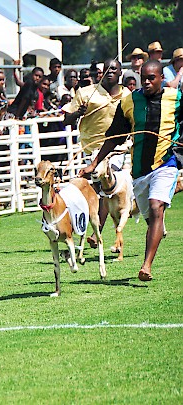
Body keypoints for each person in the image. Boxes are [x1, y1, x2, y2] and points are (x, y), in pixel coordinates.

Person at [78, 59, 181, 282]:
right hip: (140, 172)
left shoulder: (176, 98)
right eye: (143, 78)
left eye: (151, 78)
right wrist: (94, 164)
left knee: (156, 207)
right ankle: (156, 227)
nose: (146, 82)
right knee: (150, 215)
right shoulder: (129, 102)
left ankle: (146, 266)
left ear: (161, 78)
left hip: (166, 164)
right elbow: (114, 136)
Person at [63, 59, 130, 246]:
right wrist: (78, 113)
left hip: (116, 149)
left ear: (120, 73)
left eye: (114, 69)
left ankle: (97, 232)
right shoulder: (85, 93)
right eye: (107, 69)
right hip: (90, 149)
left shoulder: (127, 95)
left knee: (105, 186)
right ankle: (88, 228)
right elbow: (66, 120)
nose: (110, 72)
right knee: (94, 191)